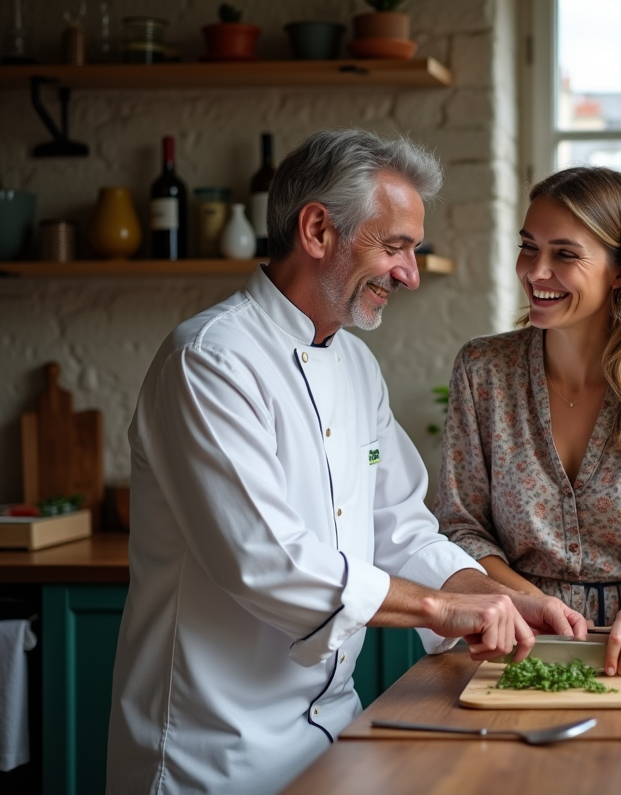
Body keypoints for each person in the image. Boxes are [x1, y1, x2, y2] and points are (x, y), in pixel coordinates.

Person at [107, 129, 586, 795]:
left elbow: (399, 525)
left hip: (334, 732)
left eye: (412, 252)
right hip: (212, 751)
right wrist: (438, 609)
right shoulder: (210, 361)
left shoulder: (356, 364)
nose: (410, 274)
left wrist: (487, 591)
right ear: (317, 230)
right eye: (394, 247)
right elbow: (266, 562)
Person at [437, 166, 621, 678]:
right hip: (518, 643)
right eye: (529, 247)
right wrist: (531, 604)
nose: (535, 271)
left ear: (618, 269)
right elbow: (462, 527)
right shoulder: (482, 373)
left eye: (564, 254)